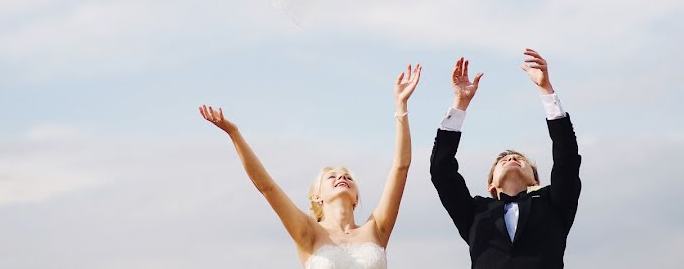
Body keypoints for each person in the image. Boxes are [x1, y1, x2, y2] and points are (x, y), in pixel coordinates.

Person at [199, 64, 421, 268]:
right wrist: (234, 134)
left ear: (356, 198)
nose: (341, 177)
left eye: (348, 176)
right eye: (331, 176)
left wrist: (400, 107)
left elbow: (401, 167)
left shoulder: (376, 229)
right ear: (317, 196)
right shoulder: (308, 232)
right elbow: (267, 187)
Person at [430, 49, 581, 268]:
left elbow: (566, 159)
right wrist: (460, 104)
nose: (511, 158)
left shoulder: (553, 204)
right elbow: (441, 171)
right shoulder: (474, 212)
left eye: (519, 158)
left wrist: (546, 91)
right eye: (503, 160)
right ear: (491, 184)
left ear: (535, 181)